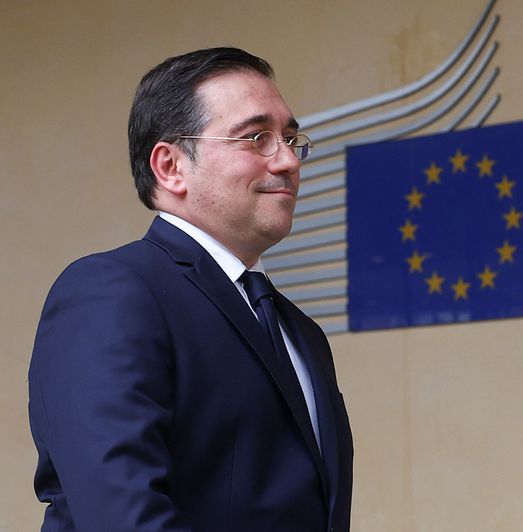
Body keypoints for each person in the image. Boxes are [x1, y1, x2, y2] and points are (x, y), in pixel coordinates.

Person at [28, 47, 353, 532]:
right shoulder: (111, 294)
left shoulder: (301, 333)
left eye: (289, 137)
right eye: (256, 137)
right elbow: (121, 516)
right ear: (170, 166)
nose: (287, 160)